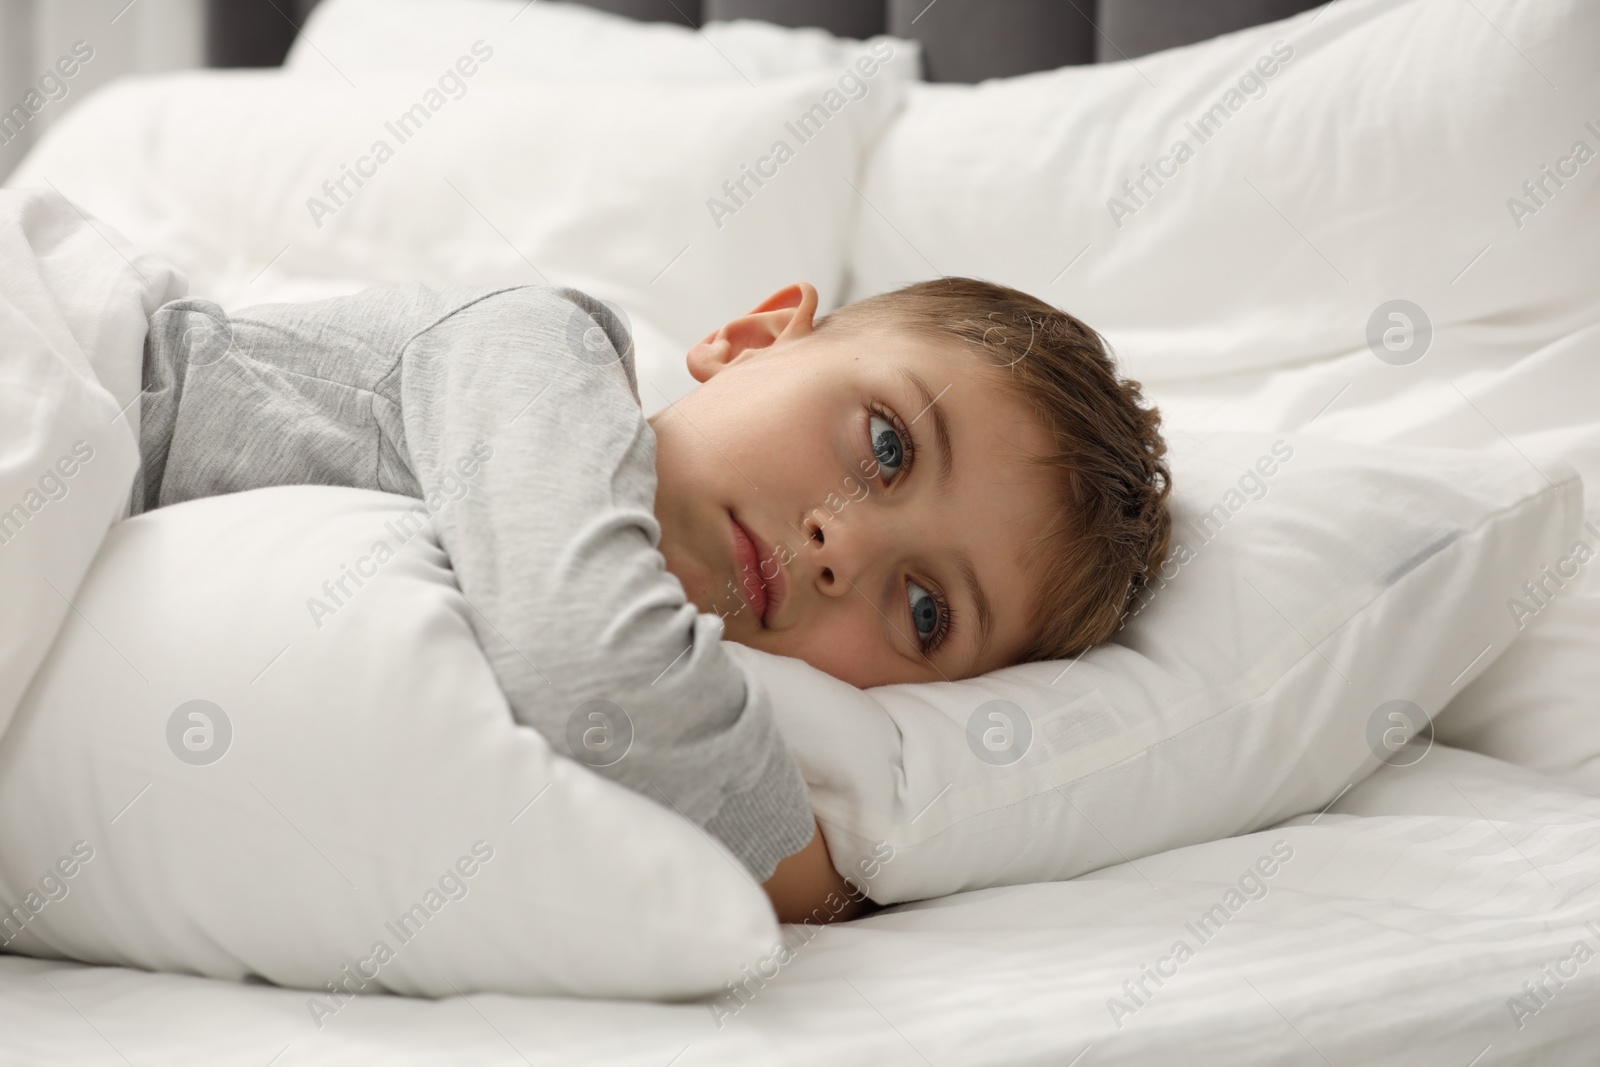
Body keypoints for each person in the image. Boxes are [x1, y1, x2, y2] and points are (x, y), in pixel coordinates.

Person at [132, 274, 1172, 923]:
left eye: (925, 609)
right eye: (888, 443)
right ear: (755, 335)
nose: (840, 543)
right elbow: (599, 672)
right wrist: (819, 875)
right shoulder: (536, 347)